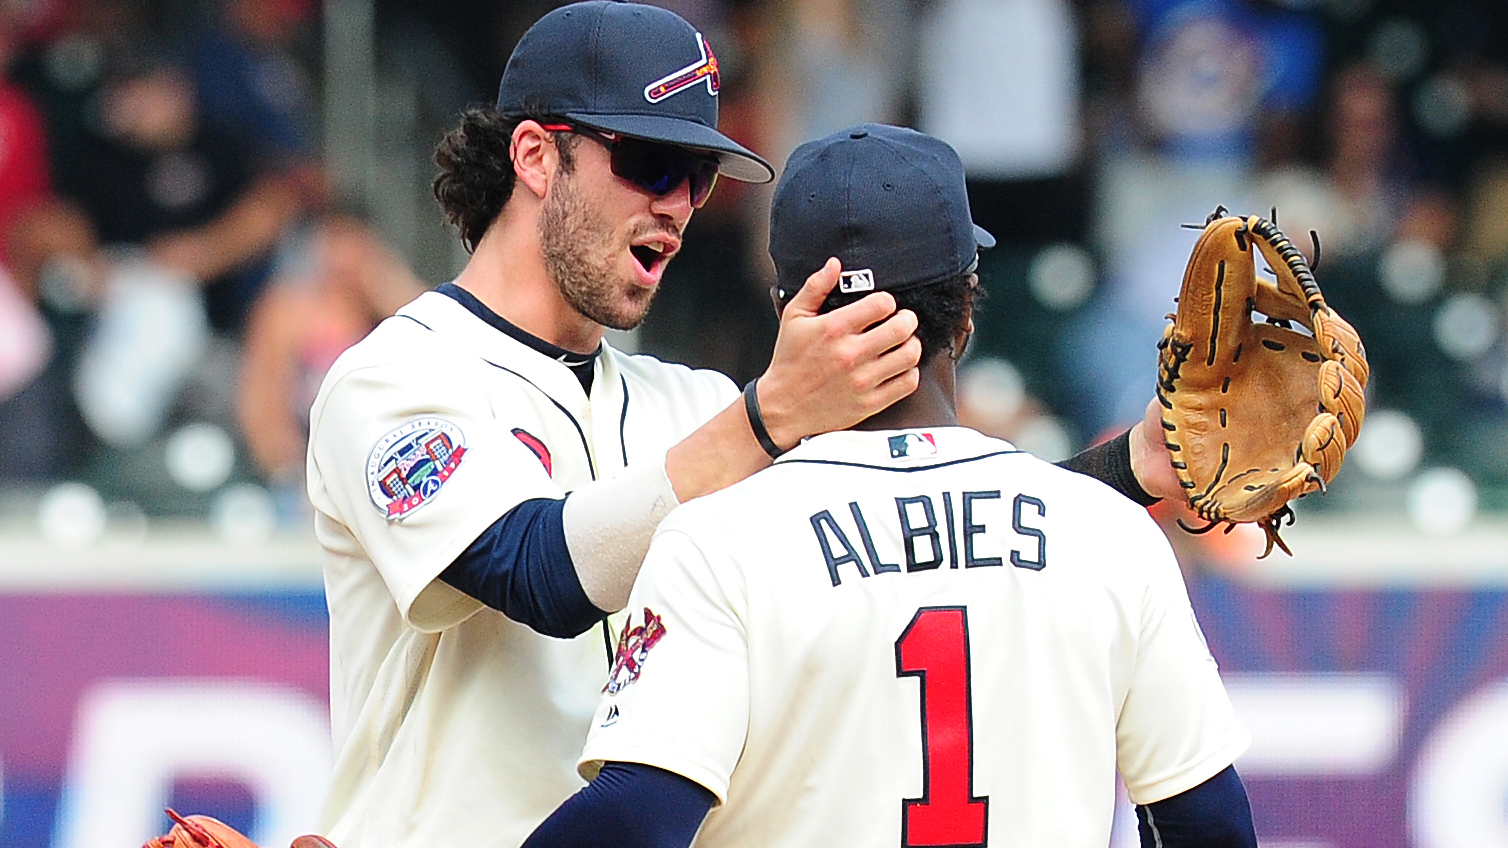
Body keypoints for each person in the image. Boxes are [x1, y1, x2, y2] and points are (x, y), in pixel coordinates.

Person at [306, 4, 1180, 847]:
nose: (680, 204)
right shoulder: (398, 376)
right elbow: (536, 576)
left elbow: (921, 529)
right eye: (652, 163)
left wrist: (1126, 470)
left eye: (700, 176)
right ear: (536, 156)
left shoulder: (687, 406)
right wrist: (769, 415)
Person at [520, 125, 1255, 848]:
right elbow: (1210, 825)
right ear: (965, 312)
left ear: (789, 312)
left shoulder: (719, 543)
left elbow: (636, 820)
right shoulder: (1110, 534)